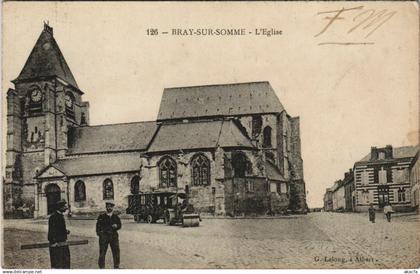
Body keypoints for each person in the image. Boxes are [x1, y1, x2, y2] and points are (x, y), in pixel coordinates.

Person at [96, 202, 122, 269]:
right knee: (102, 252)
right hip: (104, 237)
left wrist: (116, 226)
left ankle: (116, 266)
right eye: (107, 206)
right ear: (106, 207)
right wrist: (101, 235)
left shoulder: (116, 217)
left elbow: (119, 225)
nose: (109, 208)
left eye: (110, 207)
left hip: (113, 237)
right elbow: (98, 227)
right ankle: (101, 267)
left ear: (113, 208)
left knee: (116, 251)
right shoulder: (101, 217)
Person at [48, 199, 71, 269]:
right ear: (60, 207)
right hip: (57, 244)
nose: (66, 208)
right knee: (58, 264)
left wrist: (65, 231)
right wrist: (53, 242)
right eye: (64, 206)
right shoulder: (53, 217)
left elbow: (59, 229)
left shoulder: (60, 216)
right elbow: (51, 231)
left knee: (65, 262)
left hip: (63, 242)